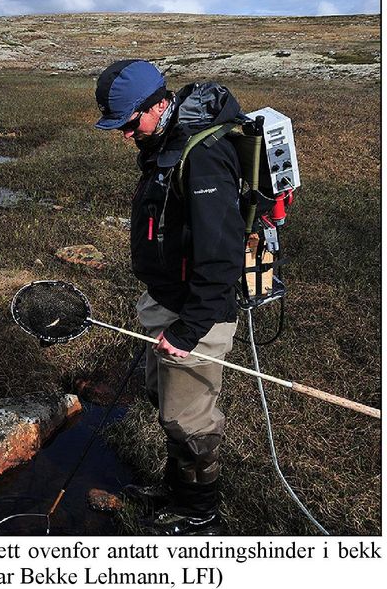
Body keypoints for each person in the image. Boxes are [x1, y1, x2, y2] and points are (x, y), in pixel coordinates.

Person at [94, 58, 247, 535]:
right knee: (165, 402)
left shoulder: (201, 156)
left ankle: (199, 512)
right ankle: (174, 490)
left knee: (189, 419)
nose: (125, 135)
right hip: (171, 302)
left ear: (160, 104)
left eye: (129, 123)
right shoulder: (167, 140)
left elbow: (221, 259)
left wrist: (188, 329)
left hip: (198, 313)